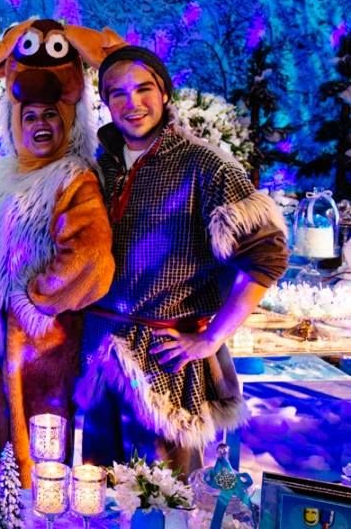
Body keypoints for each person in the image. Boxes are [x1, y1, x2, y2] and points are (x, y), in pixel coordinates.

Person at [66, 31, 290, 473]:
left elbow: (267, 255)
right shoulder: (98, 165)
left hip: (164, 366)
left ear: (164, 92)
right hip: (100, 357)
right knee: (98, 491)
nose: (132, 103)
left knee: (163, 495)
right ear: (105, 103)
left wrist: (211, 337)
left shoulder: (205, 165)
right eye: (118, 93)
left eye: (143, 89)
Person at [0, 19, 115, 488]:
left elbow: (91, 258)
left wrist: (34, 301)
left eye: (50, 115)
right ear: (14, 122)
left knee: (36, 463)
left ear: (68, 121)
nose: (40, 124)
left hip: (38, 352)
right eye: (30, 116)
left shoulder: (74, 179)